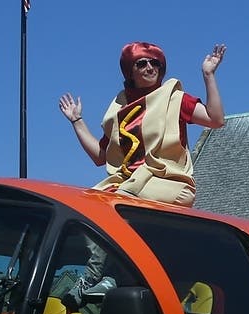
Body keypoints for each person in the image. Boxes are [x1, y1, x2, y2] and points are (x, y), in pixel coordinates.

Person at [59, 41, 226, 208]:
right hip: (129, 184)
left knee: (116, 201)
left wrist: (208, 75)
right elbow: (100, 156)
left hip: (168, 183)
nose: (150, 67)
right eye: (141, 63)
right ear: (130, 71)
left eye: (155, 63)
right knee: (86, 204)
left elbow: (215, 120)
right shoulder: (120, 109)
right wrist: (77, 121)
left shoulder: (174, 99)